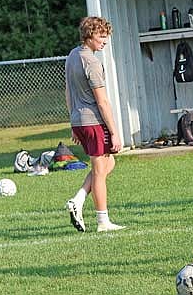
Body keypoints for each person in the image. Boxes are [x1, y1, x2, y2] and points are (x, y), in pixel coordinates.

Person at [64, 16, 125, 233]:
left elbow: (68, 92)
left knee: (109, 165)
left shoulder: (72, 55)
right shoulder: (92, 62)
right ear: (89, 35)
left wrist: (73, 122)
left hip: (80, 121)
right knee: (100, 170)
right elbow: (102, 101)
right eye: (101, 36)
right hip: (94, 122)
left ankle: (78, 200)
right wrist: (114, 132)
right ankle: (103, 221)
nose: (105, 41)